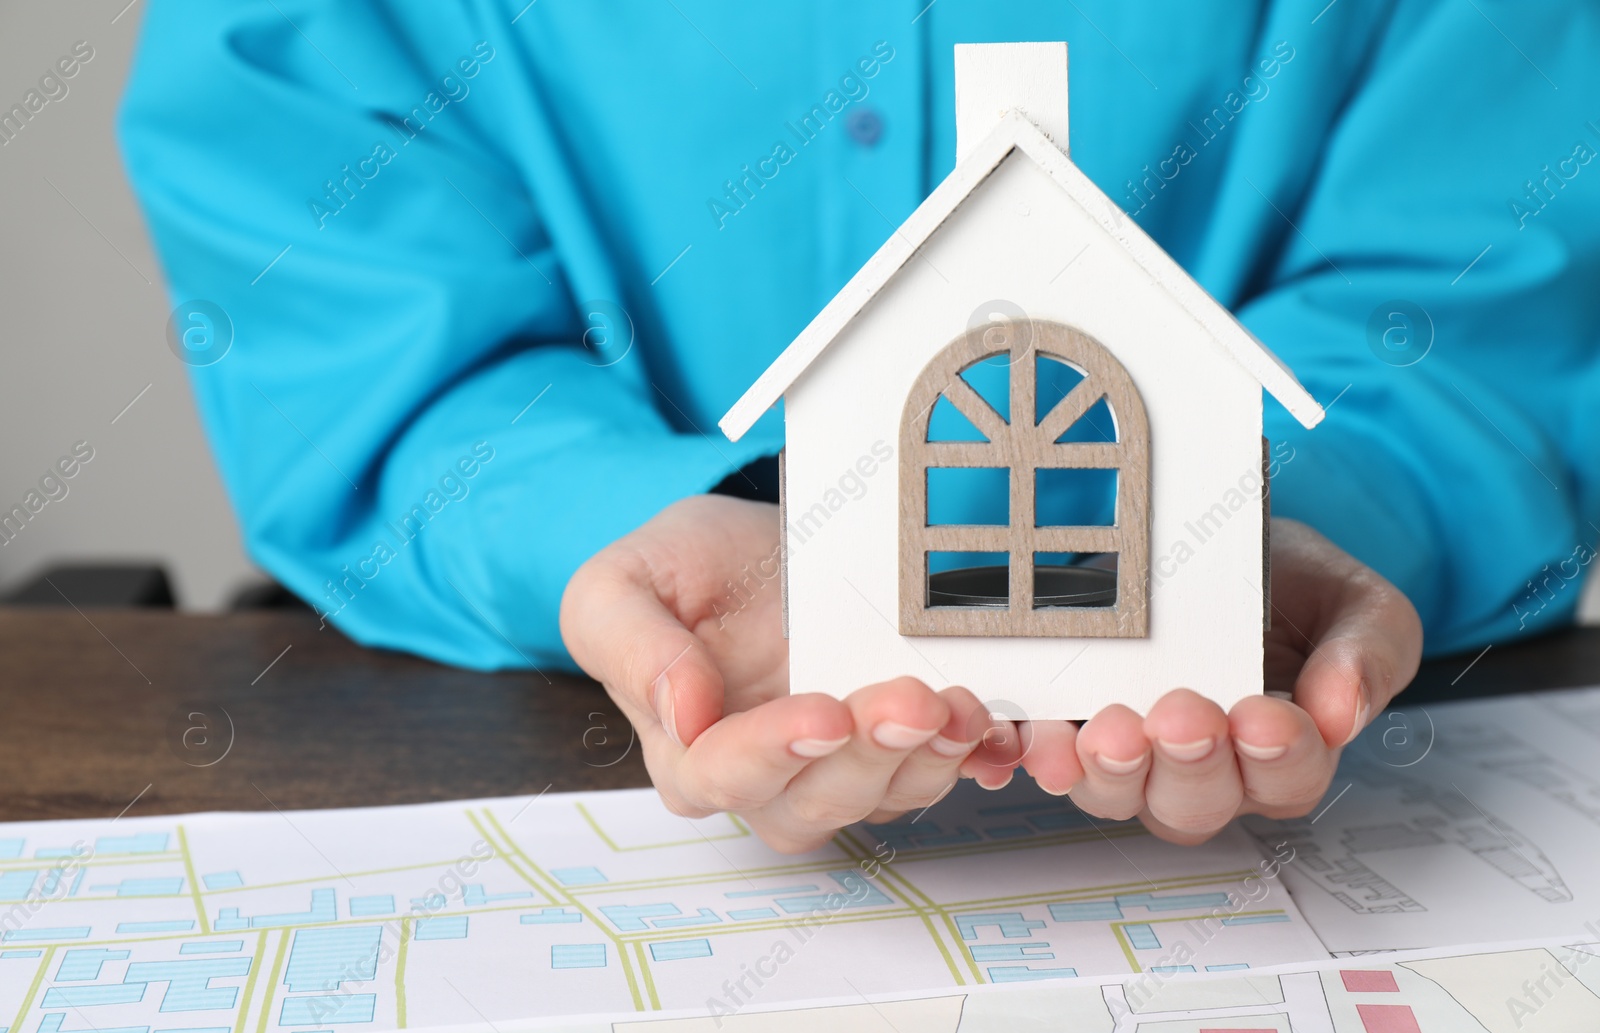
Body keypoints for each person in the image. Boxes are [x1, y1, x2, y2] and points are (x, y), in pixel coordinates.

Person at [120, 2, 1596, 853]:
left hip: (1280, 666)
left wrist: (1294, 511)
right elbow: (318, 236)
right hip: (535, 720)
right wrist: (603, 517)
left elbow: (1484, 252)